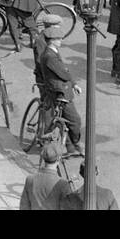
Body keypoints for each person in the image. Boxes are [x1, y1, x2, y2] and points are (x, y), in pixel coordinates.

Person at [38, 20, 84, 152]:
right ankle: (74, 143)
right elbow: (63, 73)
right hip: (60, 92)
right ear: (52, 40)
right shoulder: (50, 56)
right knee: (74, 120)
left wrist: (73, 83)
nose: (61, 41)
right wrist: (73, 82)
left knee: (63, 120)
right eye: (58, 39)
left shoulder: (52, 52)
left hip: (58, 90)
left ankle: (69, 145)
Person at [20, 143, 78, 210]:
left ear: (43, 157)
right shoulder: (63, 184)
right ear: (58, 159)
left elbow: (24, 206)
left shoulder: (30, 179)